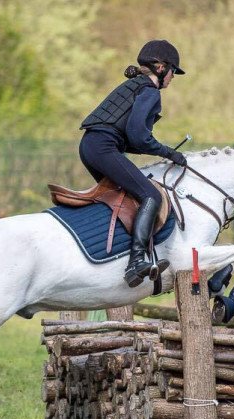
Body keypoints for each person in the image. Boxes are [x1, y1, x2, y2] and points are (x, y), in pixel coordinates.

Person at [79, 39, 187, 288]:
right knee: (151, 195)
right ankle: (135, 262)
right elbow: (139, 136)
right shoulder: (149, 91)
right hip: (102, 148)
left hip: (92, 147)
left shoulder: (134, 86)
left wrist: (159, 149)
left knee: (129, 199)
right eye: (173, 72)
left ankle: (113, 257)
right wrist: (170, 153)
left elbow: (132, 138)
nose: (172, 78)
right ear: (161, 68)